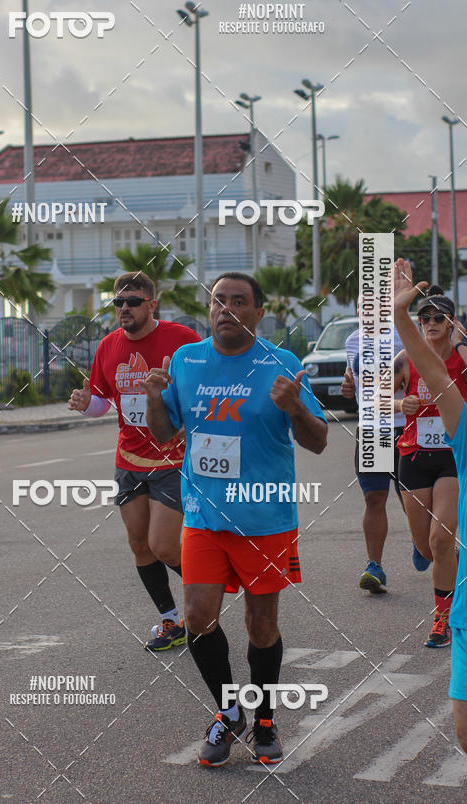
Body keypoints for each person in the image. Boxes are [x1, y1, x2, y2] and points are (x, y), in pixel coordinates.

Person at [144, 272, 327, 767]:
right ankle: (229, 712)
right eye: (218, 301)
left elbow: (317, 440)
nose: (226, 308)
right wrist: (153, 399)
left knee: (260, 623)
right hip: (203, 515)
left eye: (238, 301)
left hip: (265, 518)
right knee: (200, 618)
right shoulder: (186, 360)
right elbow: (166, 435)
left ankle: (265, 716)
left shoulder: (281, 364)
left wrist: (294, 409)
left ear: (258, 312)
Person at [68, 272, 200, 651]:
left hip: (172, 462)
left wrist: (190, 424)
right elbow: (101, 402)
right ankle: (171, 621)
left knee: (164, 546)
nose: (124, 308)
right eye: (118, 302)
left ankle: (205, 597)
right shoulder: (108, 346)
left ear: (151, 305)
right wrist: (83, 405)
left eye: (133, 301)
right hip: (129, 461)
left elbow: (203, 387)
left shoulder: (182, 340)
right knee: (139, 545)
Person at [393, 258, 467, 751]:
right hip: (415, 453)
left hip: (451, 461)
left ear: (454, 322)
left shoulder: (459, 363)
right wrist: (404, 407)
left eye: (441, 317)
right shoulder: (408, 361)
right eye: (426, 317)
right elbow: (392, 393)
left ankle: (440, 611)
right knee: (426, 541)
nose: (433, 323)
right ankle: (430, 558)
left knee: (444, 538)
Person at [342, 313, 429, 595]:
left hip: (405, 428)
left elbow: (420, 375)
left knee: (410, 497)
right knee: (374, 497)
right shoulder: (352, 340)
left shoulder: (404, 335)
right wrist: (348, 386)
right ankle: (374, 567)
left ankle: (421, 540)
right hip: (371, 430)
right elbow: (353, 379)